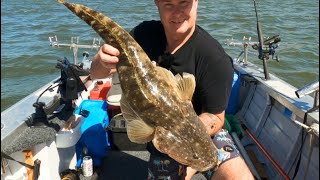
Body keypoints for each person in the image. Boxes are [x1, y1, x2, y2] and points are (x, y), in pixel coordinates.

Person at [90, 0, 254, 179]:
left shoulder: (214, 58)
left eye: (184, 3)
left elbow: (216, 117)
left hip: (203, 135)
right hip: (161, 140)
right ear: (157, 4)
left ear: (196, 2)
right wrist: (102, 61)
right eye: (169, 4)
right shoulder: (142, 35)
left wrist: (191, 137)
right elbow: (95, 74)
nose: (177, 12)